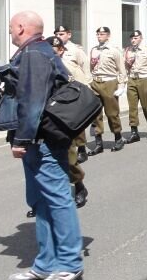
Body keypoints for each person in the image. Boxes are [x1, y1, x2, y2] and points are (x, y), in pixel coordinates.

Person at [5, 11, 83, 280]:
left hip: (42, 141)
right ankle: (46, 263)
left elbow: (33, 100)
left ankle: (69, 265)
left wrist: (22, 139)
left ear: (21, 27)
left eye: (11, 28)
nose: (10, 32)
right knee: (41, 202)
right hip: (38, 141)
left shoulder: (35, 54)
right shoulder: (36, 51)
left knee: (58, 200)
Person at [45, 36, 89, 210]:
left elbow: (79, 91)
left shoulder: (67, 67)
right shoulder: (40, 66)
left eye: (55, 49)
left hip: (62, 116)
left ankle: (79, 186)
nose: (52, 52)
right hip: (44, 116)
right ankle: (42, 198)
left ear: (61, 50)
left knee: (69, 156)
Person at [87, 27, 126, 155]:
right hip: (96, 83)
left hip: (109, 82)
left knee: (112, 113)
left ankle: (118, 138)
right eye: (98, 34)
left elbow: (121, 70)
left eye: (102, 34)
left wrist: (121, 85)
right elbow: (90, 68)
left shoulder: (114, 51)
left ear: (108, 36)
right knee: (95, 114)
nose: (99, 36)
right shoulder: (94, 50)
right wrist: (90, 82)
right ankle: (99, 144)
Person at [54, 25, 89, 162]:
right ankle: (69, 148)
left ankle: (82, 148)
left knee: (77, 120)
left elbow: (86, 68)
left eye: (62, 34)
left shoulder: (76, 50)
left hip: (76, 89)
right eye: (57, 34)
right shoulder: (53, 50)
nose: (59, 36)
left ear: (69, 35)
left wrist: (86, 88)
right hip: (61, 91)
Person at [123, 30, 147, 143]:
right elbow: (125, 67)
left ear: (141, 38)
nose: (133, 40)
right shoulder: (128, 50)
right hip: (132, 79)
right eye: (132, 38)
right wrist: (124, 81)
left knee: (146, 106)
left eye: (136, 38)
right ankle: (134, 132)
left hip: (144, 79)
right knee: (132, 107)